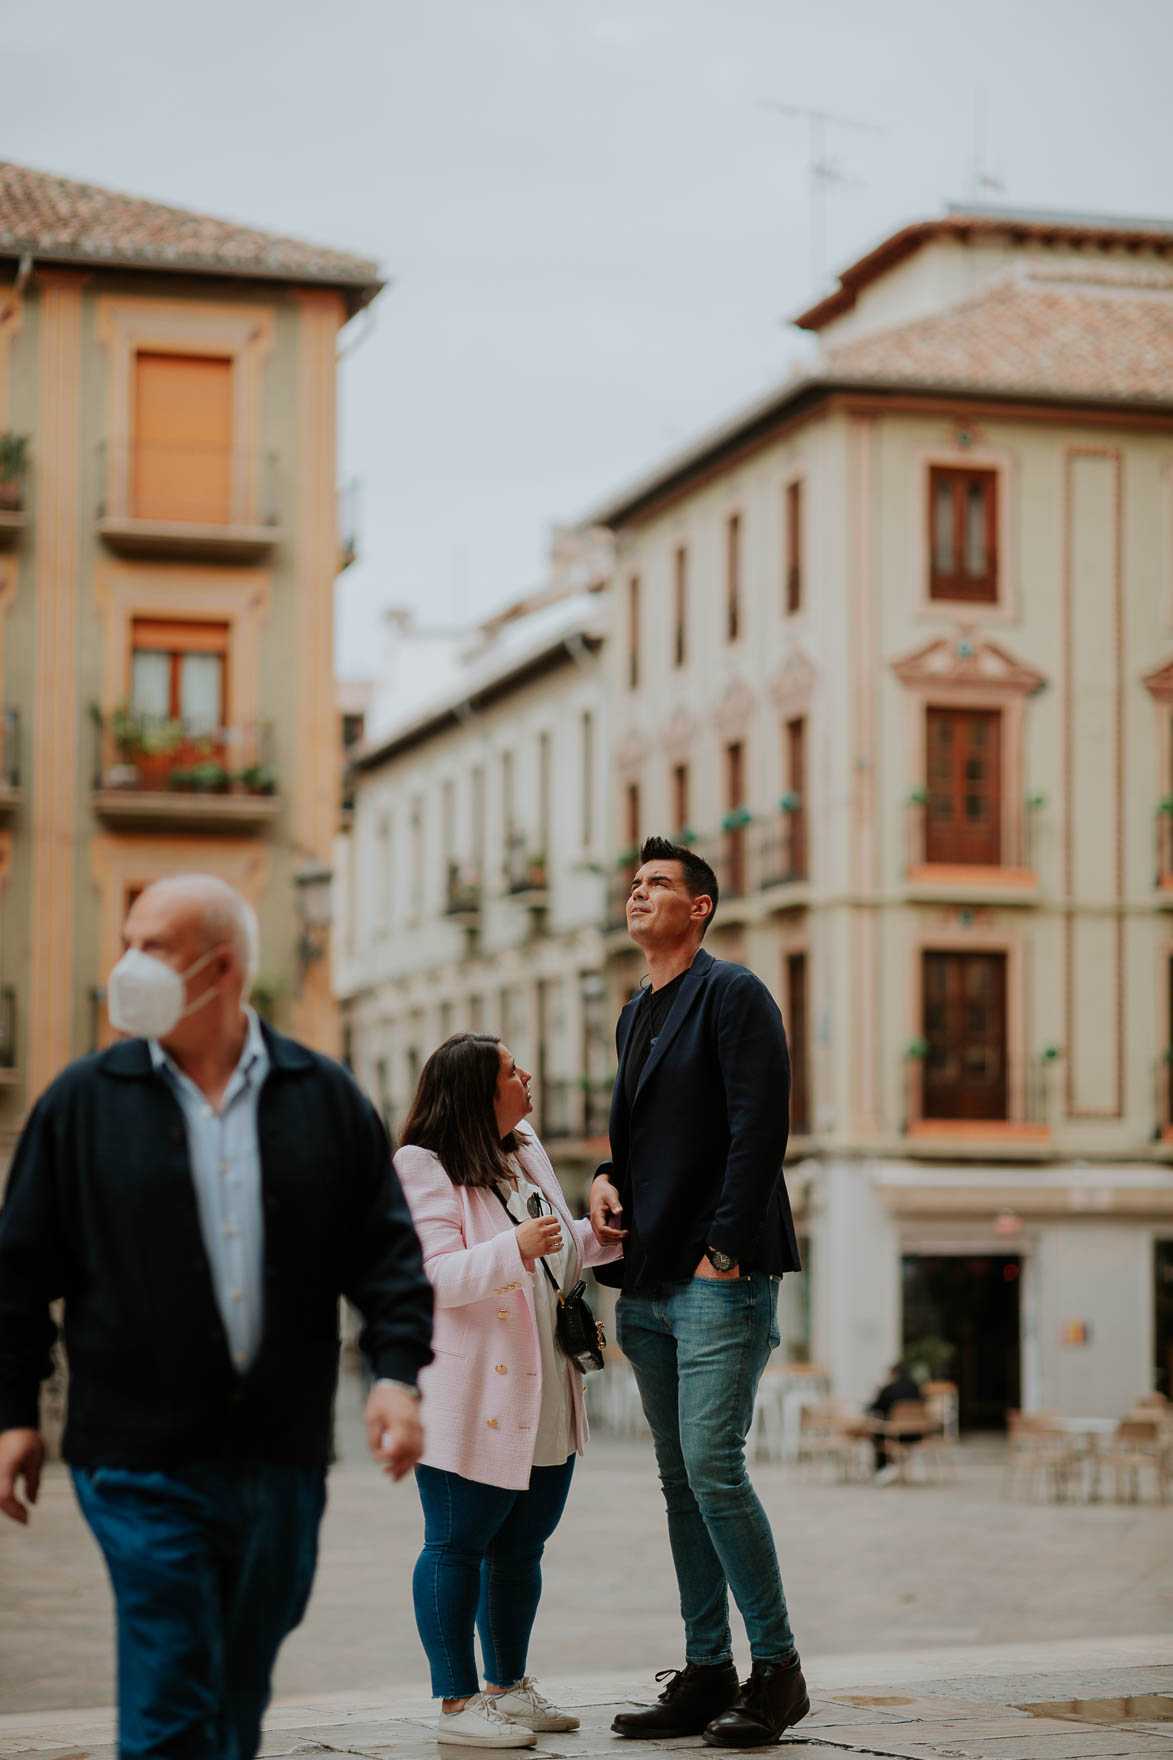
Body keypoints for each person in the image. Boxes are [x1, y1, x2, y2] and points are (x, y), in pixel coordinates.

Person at [0, 874, 434, 1760]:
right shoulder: (81, 1103)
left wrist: (394, 1377)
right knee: (170, 1693)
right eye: (128, 940)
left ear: (222, 966)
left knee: (234, 1694)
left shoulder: (324, 1096)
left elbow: (389, 1255)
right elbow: (16, 1272)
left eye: (152, 946)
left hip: (280, 1460)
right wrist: (11, 1410)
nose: (127, 964)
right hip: (135, 1460)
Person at [590, 836, 808, 1748]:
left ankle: (778, 1671)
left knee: (715, 1468)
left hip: (717, 1277)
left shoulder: (733, 993)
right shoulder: (636, 1008)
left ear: (701, 906)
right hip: (647, 1282)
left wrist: (723, 1247)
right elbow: (648, 1135)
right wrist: (606, 1175)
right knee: (680, 1481)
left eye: (659, 885)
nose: (639, 896)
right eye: (633, 885)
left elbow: (761, 1123)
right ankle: (706, 1668)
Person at [394, 1033, 620, 1748]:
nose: (528, 1077)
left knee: (522, 1550)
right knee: (456, 1544)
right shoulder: (421, 1166)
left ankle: (508, 1688)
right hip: (472, 1393)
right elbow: (428, 1276)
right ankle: (459, 1707)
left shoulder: (523, 1147)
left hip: (546, 1382)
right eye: (511, 1071)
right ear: (474, 1092)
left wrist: (606, 1233)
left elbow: (557, 1247)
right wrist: (511, 1250)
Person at [869, 1361, 924, 1482]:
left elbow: (876, 1407)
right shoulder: (917, 1388)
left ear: (894, 1373)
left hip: (893, 1435)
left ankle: (883, 1468)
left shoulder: (889, 1389)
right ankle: (895, 1467)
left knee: (876, 1433)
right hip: (916, 1434)